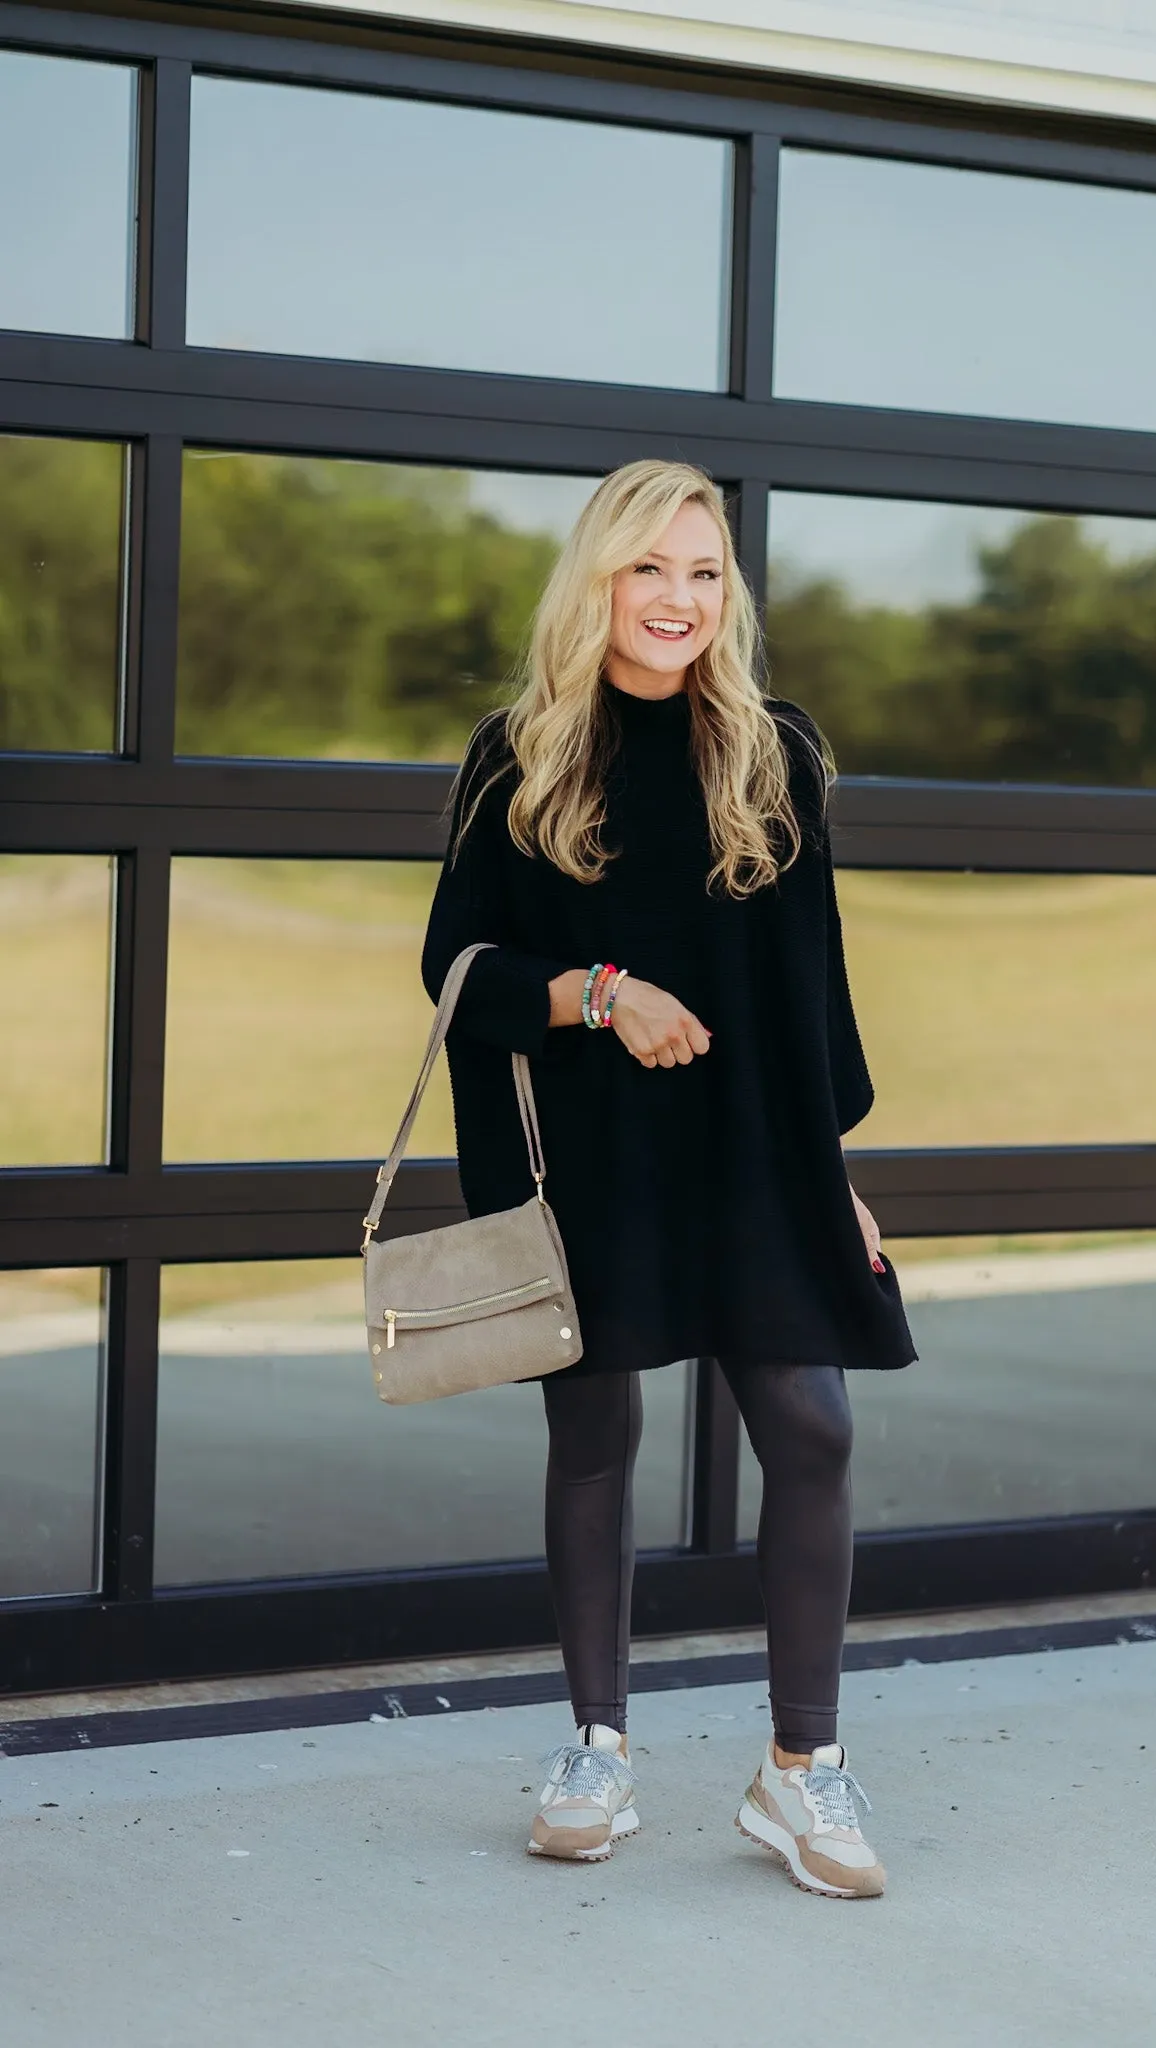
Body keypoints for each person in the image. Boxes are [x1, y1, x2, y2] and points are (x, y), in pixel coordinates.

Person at [421, 459, 916, 1900]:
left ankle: (800, 1773)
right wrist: (595, 994)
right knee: (594, 1443)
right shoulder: (518, 753)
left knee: (810, 1430)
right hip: (594, 1162)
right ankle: (596, 1748)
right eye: (652, 571)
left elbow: (813, 987)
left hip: (757, 1148)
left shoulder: (780, 751)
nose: (681, 601)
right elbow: (455, 967)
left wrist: (837, 1174)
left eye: (706, 575)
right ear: (600, 582)